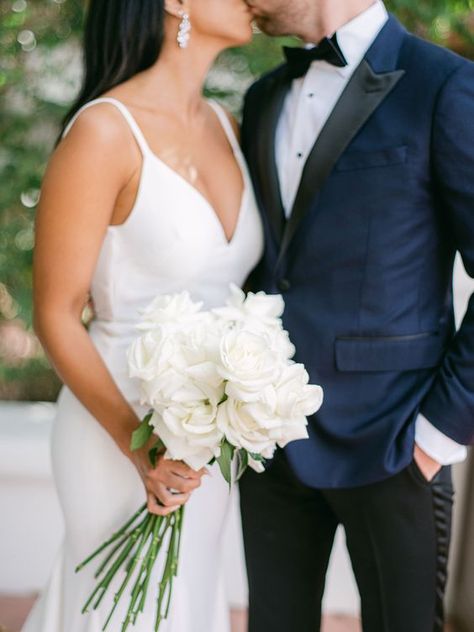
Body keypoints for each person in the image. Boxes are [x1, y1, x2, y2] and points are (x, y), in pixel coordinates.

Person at [23, 1, 262, 630]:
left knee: (188, 601)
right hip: (118, 428)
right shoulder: (104, 132)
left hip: (210, 439)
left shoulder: (227, 125)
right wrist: (144, 448)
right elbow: (54, 312)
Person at [240, 1, 474, 630]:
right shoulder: (263, 97)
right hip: (271, 444)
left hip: (395, 441)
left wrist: (436, 437)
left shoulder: (443, 86)